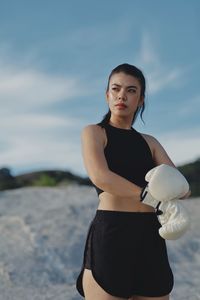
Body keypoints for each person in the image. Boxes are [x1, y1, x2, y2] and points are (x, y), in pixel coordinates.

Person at [75, 63, 191, 300]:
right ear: (107, 95)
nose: (121, 96)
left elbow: (181, 187)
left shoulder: (150, 142)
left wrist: (175, 194)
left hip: (150, 235)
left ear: (140, 100)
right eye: (115, 89)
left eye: (131, 90)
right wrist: (153, 198)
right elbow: (101, 177)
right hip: (112, 233)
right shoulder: (94, 133)